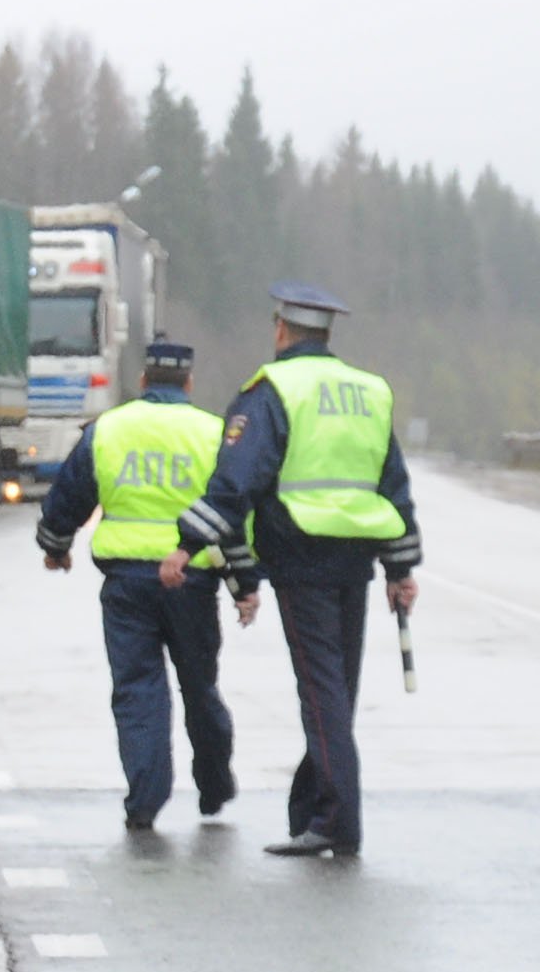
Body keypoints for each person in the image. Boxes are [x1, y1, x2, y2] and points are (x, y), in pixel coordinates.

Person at [162, 283, 421, 857]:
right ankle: (314, 808)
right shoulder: (369, 390)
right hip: (358, 558)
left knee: (322, 690)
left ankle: (335, 822)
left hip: (301, 555)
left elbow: (237, 478)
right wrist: (402, 568)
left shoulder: (273, 389)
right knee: (338, 690)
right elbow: (393, 484)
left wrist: (186, 544)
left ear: (281, 330)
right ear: (326, 334)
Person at [35, 337, 248, 831]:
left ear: (145, 381)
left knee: (137, 690)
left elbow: (70, 493)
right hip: (191, 581)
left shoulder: (109, 429)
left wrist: (55, 544)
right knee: (200, 688)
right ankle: (214, 783)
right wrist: (243, 582)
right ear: (189, 384)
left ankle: (146, 798)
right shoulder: (213, 434)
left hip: (127, 583)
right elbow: (233, 514)